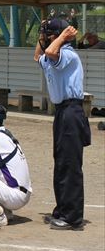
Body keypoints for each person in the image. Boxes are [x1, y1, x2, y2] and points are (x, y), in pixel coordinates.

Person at [34, 18, 91, 230]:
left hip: (72, 112)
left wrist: (63, 36)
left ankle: (73, 218)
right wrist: (41, 37)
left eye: (49, 34)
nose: (47, 37)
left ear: (58, 36)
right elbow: (38, 56)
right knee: (60, 163)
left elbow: (50, 52)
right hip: (61, 112)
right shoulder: (53, 53)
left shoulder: (67, 53)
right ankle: (62, 210)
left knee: (70, 165)